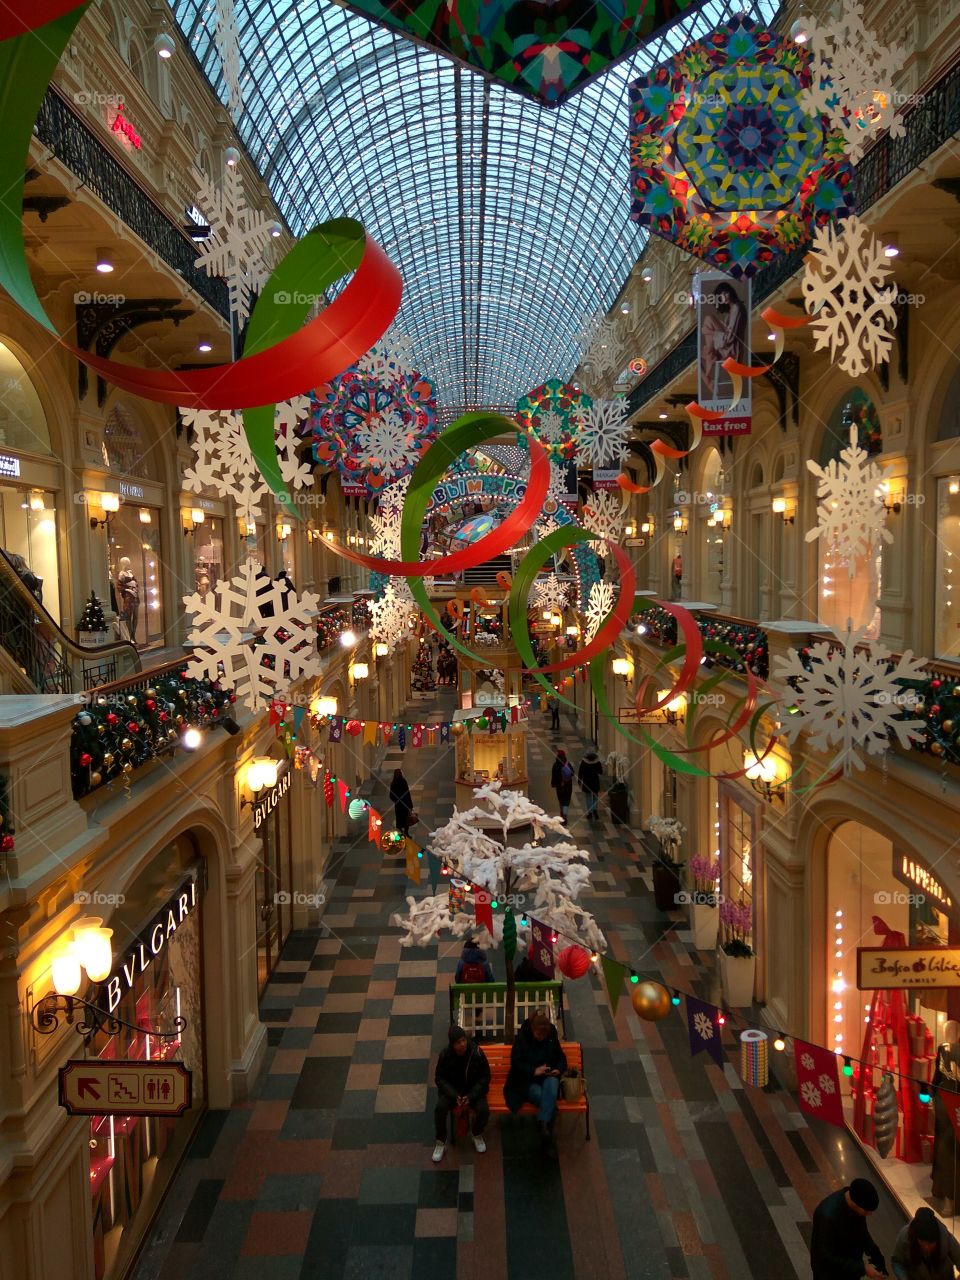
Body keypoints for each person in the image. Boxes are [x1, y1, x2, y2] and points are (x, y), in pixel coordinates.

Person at [504, 1008, 567, 1156]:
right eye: (539, 1034)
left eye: (544, 1035)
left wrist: (558, 1069)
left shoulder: (551, 1036)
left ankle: (543, 1125)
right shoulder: (522, 1038)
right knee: (543, 1097)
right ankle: (546, 1136)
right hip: (527, 1080)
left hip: (547, 1076)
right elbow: (516, 1063)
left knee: (551, 1085)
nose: (542, 1037)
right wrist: (534, 1070)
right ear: (532, 1029)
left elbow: (561, 1058)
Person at [433, 1024, 490, 1163]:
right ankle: (441, 1142)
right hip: (453, 1093)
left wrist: (471, 1096)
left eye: (464, 1040)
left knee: (483, 1110)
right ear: (452, 1045)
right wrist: (454, 1095)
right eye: (458, 1042)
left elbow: (485, 1077)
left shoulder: (476, 1053)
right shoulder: (445, 1055)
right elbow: (439, 1078)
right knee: (440, 1109)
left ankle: (476, 1134)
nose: (462, 1044)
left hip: (472, 1093)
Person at [810, 1179, 887, 1280]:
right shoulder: (827, 1216)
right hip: (829, 1274)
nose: (869, 1214)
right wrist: (863, 1268)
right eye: (867, 1211)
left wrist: (874, 1251)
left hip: (849, 1267)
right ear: (856, 1203)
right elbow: (825, 1257)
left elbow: (861, 1231)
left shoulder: (855, 1203)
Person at [932, 1028, 960, 1216]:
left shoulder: (944, 1049)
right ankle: (949, 1199)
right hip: (949, 1103)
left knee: (946, 1151)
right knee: (949, 1151)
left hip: (946, 1101)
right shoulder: (945, 1049)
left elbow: (936, 1079)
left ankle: (949, 1200)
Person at [892, 1207, 960, 1279]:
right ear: (916, 1238)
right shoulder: (905, 1238)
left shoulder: (944, 1236)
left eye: (931, 1244)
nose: (927, 1248)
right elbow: (897, 1262)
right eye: (923, 1243)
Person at [116, 557, 140, 643]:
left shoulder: (130, 573)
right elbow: (119, 586)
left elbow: (136, 583)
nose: (128, 564)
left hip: (135, 597)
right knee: (129, 617)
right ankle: (131, 637)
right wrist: (128, 589)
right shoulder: (121, 574)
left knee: (136, 617)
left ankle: (133, 635)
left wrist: (135, 588)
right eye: (127, 563)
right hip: (128, 598)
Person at [577, 749, 603, 822]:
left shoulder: (584, 762)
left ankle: (590, 812)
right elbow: (601, 771)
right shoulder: (597, 762)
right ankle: (595, 810)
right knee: (595, 796)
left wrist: (579, 780)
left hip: (586, 781)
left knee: (588, 796)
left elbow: (580, 772)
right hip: (595, 781)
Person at [551, 748, 574, 824]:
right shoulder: (567, 763)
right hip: (568, 785)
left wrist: (554, 784)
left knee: (561, 801)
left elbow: (554, 775)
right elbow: (572, 773)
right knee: (566, 801)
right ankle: (565, 815)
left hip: (559, 786)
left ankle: (562, 815)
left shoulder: (555, 764)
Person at [389, 767, 414, 837]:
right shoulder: (404, 782)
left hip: (398, 806)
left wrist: (396, 801)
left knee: (399, 819)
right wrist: (410, 805)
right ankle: (406, 833)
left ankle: (400, 833)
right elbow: (407, 794)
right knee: (406, 819)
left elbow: (391, 795)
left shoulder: (393, 784)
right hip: (405, 804)